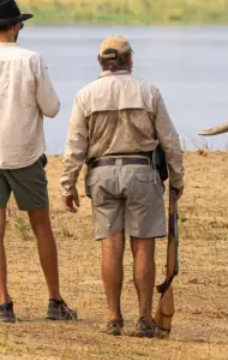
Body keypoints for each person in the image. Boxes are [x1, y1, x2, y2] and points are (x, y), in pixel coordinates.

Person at [61, 35, 185, 338]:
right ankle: (144, 319)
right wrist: (178, 178)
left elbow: (75, 145)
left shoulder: (85, 94)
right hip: (142, 172)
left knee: (111, 244)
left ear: (101, 62)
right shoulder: (148, 91)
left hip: (102, 174)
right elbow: (170, 141)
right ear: (130, 60)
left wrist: (68, 184)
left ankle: (114, 317)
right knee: (143, 245)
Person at [0, 0, 79, 324]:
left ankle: (4, 304)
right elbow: (53, 107)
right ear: (16, 27)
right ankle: (55, 301)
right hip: (27, 153)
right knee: (41, 226)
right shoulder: (32, 60)